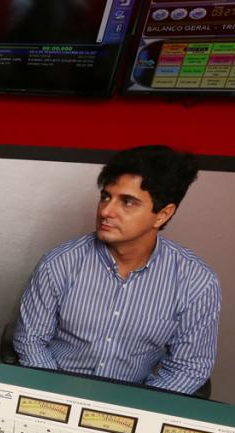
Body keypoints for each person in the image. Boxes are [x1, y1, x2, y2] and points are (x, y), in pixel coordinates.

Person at [13, 145, 220, 395]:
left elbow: (188, 368)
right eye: (105, 197)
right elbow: (31, 341)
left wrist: (137, 408)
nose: (106, 211)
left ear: (162, 215)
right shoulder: (59, 263)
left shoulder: (196, 282)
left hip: (135, 404)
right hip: (55, 394)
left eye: (127, 202)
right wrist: (59, 398)